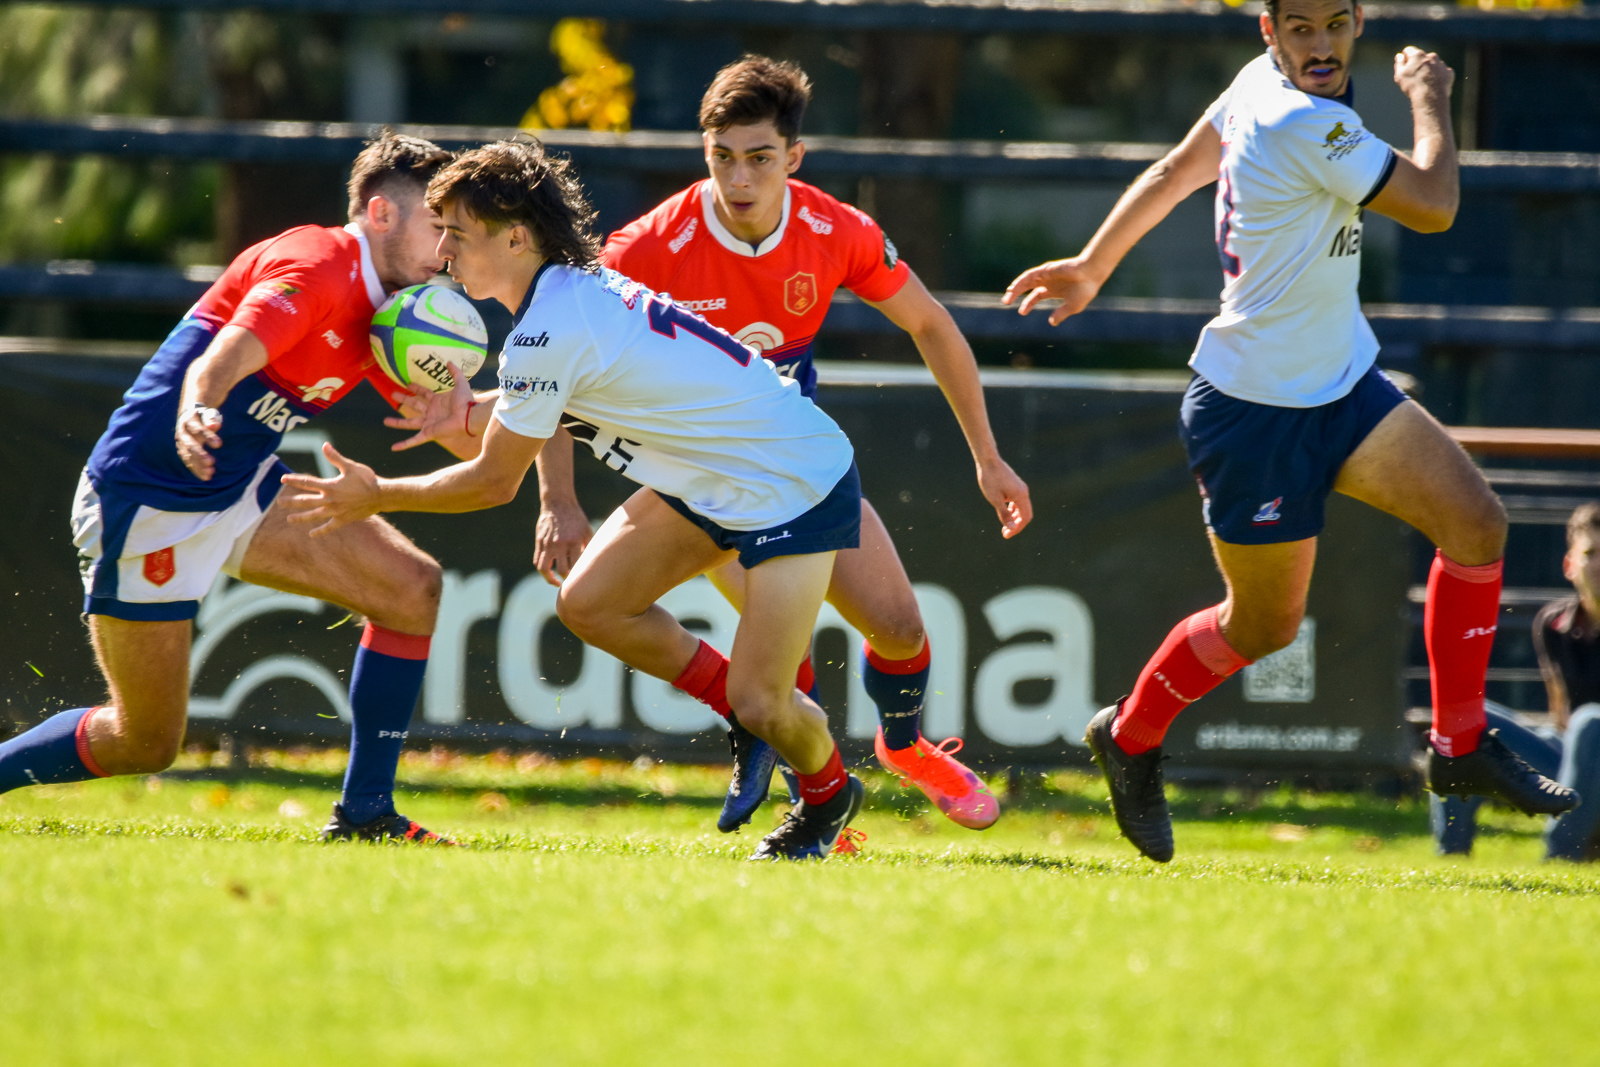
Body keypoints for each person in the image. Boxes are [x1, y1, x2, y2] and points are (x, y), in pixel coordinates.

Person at [1003, 0, 1576, 862]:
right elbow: (1434, 205)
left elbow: (1175, 170)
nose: (1321, 44)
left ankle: (1459, 746)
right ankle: (1128, 733)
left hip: (1342, 385)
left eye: (1335, 23)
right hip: (1253, 411)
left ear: (1357, 22)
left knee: (1476, 524)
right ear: (1267, 30)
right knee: (1263, 626)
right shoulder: (1303, 121)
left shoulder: (1254, 88)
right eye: (1300, 27)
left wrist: (1093, 265)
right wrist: (1429, 96)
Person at [281, 139, 869, 860]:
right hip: (715, 475)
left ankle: (826, 798)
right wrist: (473, 413)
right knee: (589, 602)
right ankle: (751, 722)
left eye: (458, 233)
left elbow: (493, 481)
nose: (442, 250)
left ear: (516, 238)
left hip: (791, 483)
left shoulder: (545, 330)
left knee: (766, 700)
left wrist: (376, 495)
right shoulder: (568, 297)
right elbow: (550, 399)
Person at [514, 55, 1032, 834]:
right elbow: (552, 357)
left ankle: (902, 745)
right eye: (721, 157)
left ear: (794, 156)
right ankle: (817, 806)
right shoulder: (649, 245)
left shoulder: (834, 229)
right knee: (775, 666)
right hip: (695, 481)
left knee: (899, 627)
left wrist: (988, 457)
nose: (739, 178)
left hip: (798, 474)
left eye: (759, 158)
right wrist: (558, 498)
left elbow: (930, 323)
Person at [0, 134, 459, 845]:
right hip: (147, 499)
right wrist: (201, 405)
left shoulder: (392, 312)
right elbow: (222, 356)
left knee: (411, 589)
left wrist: (516, 402)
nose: (448, 248)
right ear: (380, 214)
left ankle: (367, 811)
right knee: (145, 741)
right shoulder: (319, 263)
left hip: (240, 486)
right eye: (437, 226)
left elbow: (466, 440)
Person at [1434, 503, 1600, 860]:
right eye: (1591, 553)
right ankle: (1451, 857)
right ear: (1569, 564)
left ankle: (1561, 855)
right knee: (1465, 716)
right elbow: (1561, 711)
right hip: (1573, 767)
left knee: (1591, 723)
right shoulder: (1553, 624)